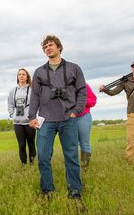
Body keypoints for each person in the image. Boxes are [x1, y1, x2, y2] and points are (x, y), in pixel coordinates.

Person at [28, 35, 87, 200]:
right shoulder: (39, 72)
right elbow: (35, 96)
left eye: (51, 45)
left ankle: (74, 192)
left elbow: (82, 91)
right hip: (46, 119)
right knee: (43, 156)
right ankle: (47, 191)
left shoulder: (74, 68)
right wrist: (32, 116)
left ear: (59, 47)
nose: (48, 48)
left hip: (68, 117)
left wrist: (76, 111)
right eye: (45, 46)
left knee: (71, 156)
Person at [99, 60, 134, 164]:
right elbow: (114, 92)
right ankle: (131, 162)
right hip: (133, 114)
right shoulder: (126, 81)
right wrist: (105, 89)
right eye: (133, 66)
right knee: (132, 139)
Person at [8, 68, 36, 166]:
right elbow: (10, 104)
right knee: (21, 145)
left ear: (27, 77)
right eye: (19, 74)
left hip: (29, 121)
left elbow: (37, 104)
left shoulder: (32, 89)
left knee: (31, 144)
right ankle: (24, 165)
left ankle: (32, 165)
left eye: (23, 74)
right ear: (17, 77)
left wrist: (34, 117)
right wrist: (13, 115)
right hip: (17, 122)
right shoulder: (13, 90)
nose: (21, 76)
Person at [77, 83, 97, 167]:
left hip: (83, 117)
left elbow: (93, 100)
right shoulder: (62, 86)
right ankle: (73, 167)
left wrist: (82, 100)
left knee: (84, 143)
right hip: (68, 119)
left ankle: (84, 167)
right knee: (71, 144)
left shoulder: (84, 85)